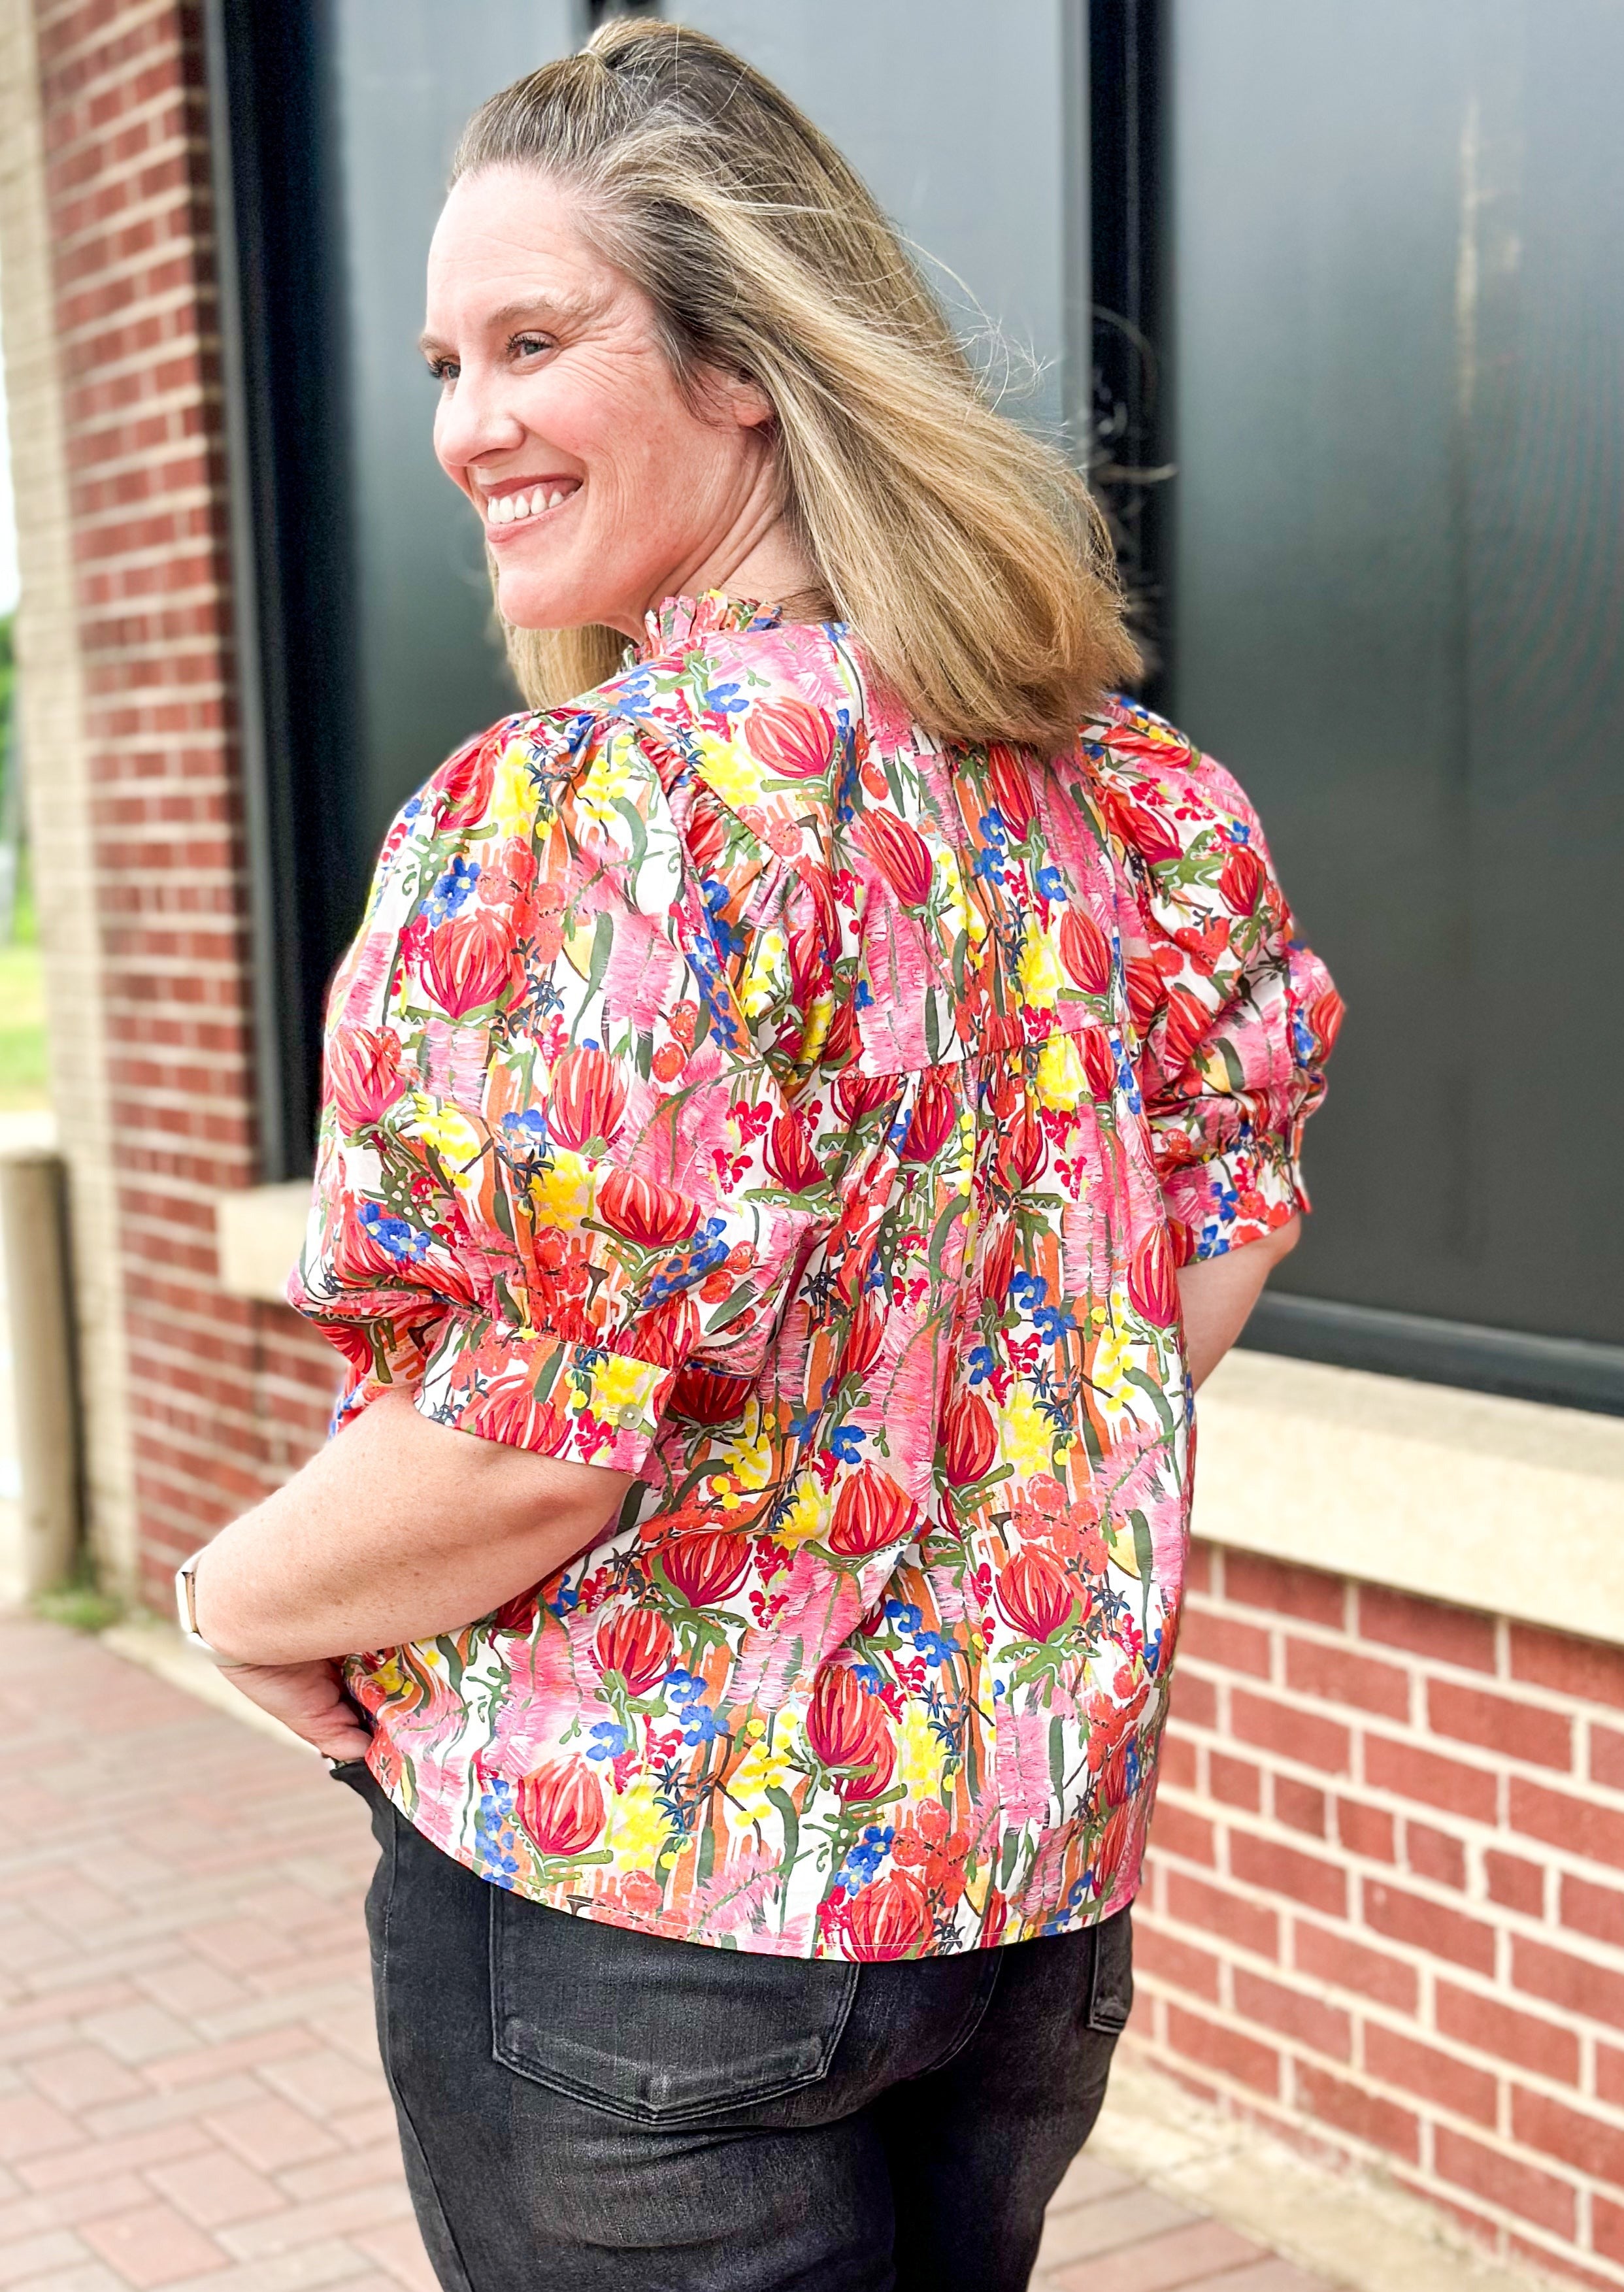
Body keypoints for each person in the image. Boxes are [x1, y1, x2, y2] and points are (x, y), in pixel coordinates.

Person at [178, 20, 1341, 2290]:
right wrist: (939, 1469)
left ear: (743, 365)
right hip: (1011, 1917)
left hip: (639, 1942)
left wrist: (244, 1601)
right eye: (440, 360)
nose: (462, 426)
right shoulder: (1119, 791)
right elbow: (1208, 1234)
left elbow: (529, 1448)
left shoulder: (603, 814)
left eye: (534, 341)